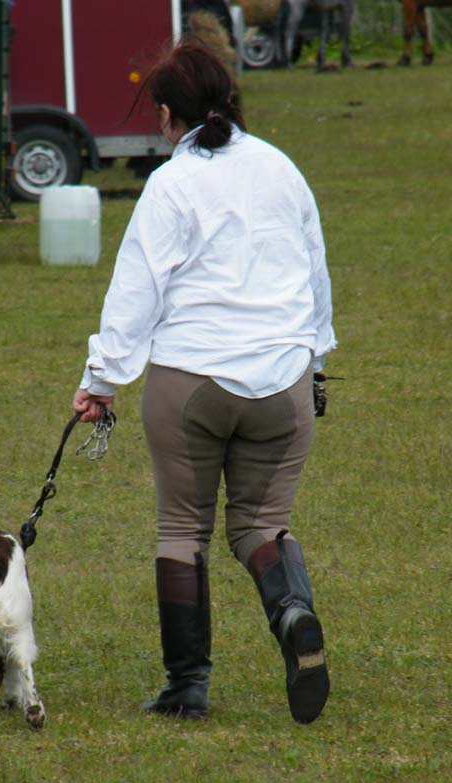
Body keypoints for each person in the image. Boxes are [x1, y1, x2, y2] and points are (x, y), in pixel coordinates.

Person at [73, 43, 336, 724]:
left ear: (167, 115)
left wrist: (100, 380)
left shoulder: (172, 182)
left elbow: (136, 290)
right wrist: (316, 359)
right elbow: (315, 272)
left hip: (190, 382)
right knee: (261, 525)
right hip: (283, 380)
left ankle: (187, 689)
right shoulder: (282, 169)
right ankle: (294, 613)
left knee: (182, 528)